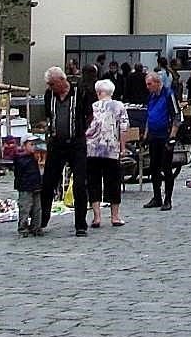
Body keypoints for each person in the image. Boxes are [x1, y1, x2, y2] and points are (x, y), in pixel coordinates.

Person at [38, 66, 90, 235]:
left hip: (76, 143)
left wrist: (82, 132)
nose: (50, 87)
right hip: (56, 143)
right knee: (48, 183)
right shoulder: (49, 95)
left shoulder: (79, 92)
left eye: (52, 84)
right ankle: (42, 220)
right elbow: (48, 115)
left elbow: (89, 114)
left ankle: (80, 224)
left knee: (80, 184)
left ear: (62, 80)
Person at [80, 78, 127, 228]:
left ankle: (97, 217)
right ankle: (115, 216)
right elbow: (124, 128)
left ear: (99, 92)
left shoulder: (93, 106)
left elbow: (86, 127)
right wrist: (123, 147)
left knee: (93, 182)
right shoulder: (119, 106)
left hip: (92, 149)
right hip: (111, 149)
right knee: (113, 182)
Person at [141, 71, 179, 210]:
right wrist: (145, 135)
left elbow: (176, 116)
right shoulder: (151, 96)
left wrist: (172, 136)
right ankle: (157, 197)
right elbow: (149, 115)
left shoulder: (169, 94)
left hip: (165, 136)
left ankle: (168, 199)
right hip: (154, 136)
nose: (147, 87)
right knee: (153, 168)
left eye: (149, 84)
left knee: (167, 168)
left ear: (157, 83)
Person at [13, 141, 44, 237]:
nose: (34, 147)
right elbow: (18, 173)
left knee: (37, 209)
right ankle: (23, 227)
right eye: (31, 144)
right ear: (24, 146)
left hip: (36, 185)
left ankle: (36, 227)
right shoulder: (20, 158)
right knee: (25, 207)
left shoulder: (36, 157)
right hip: (25, 186)